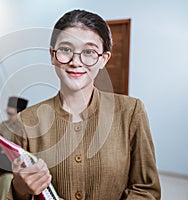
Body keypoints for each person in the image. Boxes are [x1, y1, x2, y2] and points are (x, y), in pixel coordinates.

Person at [9, 10, 161, 200]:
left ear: (103, 59)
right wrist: (20, 188)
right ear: (52, 55)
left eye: (89, 51)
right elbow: (15, 192)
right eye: (65, 49)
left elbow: (146, 190)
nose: (76, 62)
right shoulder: (26, 121)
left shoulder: (131, 112)